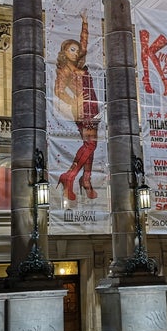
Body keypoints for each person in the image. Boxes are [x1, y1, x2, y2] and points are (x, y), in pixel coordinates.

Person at [54, 10, 100, 201]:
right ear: (64, 53)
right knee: (91, 144)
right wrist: (74, 101)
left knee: (90, 145)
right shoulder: (64, 70)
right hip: (81, 109)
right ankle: (72, 176)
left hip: (93, 106)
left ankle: (85, 179)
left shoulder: (81, 65)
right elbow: (58, 91)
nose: (75, 51)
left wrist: (85, 24)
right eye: (71, 49)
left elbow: (85, 43)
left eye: (76, 49)